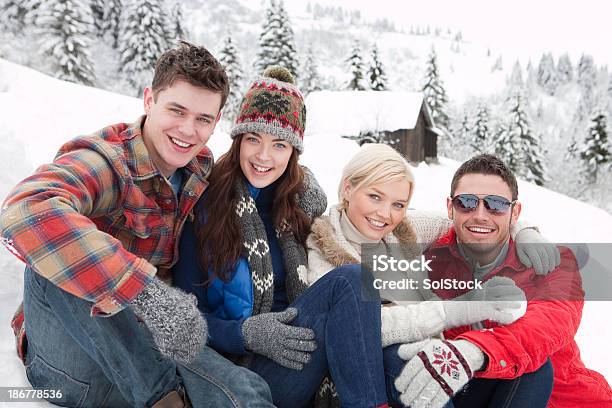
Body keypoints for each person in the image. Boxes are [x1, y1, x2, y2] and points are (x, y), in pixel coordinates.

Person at [0, 42, 273, 407]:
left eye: (203, 119)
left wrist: (305, 192)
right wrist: (145, 291)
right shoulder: (110, 162)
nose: (188, 130)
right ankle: (163, 397)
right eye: (177, 110)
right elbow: (27, 208)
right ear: (149, 101)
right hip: (73, 363)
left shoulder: (198, 168)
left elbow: (256, 177)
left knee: (247, 391)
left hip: (150, 346)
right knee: (54, 248)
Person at [173, 66, 391, 408]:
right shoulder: (205, 207)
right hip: (243, 368)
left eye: (279, 144)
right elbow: (184, 315)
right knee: (350, 280)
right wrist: (245, 335)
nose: (263, 156)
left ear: (293, 153)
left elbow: (361, 224)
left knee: (356, 285)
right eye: (253, 139)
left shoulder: (299, 208)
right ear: (238, 140)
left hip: (299, 351)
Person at [305, 144, 560, 407]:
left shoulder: (403, 229)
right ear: (348, 188)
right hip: (386, 370)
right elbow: (360, 329)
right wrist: (462, 308)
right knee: (406, 360)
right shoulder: (324, 252)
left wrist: (525, 232)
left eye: (398, 204)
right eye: (374, 197)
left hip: (433, 356)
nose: (384, 214)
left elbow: (472, 222)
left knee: (536, 370)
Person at [394, 154, 612, 408]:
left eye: (496, 205)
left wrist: (474, 351)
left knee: (536, 369)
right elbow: (377, 222)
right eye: (466, 202)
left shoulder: (555, 262)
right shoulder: (429, 262)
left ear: (515, 211)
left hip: (559, 400)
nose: (480, 215)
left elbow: (545, 326)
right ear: (450, 207)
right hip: (469, 395)